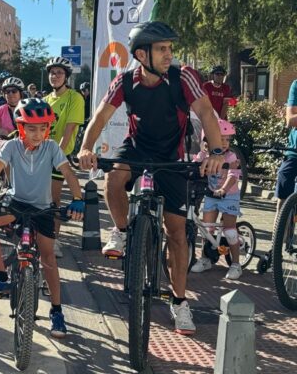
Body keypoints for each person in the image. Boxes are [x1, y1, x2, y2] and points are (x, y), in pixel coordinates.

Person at [76, 21, 226, 335]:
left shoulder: (183, 76)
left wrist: (216, 151)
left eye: (170, 48)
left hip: (171, 156)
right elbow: (100, 116)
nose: (169, 54)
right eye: (161, 49)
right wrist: (86, 147)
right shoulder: (125, 81)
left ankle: (179, 302)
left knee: (177, 234)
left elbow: (206, 112)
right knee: (114, 179)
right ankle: (121, 231)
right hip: (138, 147)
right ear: (142, 55)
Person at [0, 98, 85, 338]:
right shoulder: (12, 146)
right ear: (21, 127)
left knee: (48, 259)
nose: (38, 134)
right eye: (32, 128)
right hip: (16, 205)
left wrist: (77, 199)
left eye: (43, 128)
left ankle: (57, 311)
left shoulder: (51, 147)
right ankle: (0, 276)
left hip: (43, 209)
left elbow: (68, 173)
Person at [190, 119, 243, 279]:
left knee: (230, 231)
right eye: (221, 139)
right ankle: (205, 259)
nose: (225, 143)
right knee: (206, 229)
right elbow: (194, 169)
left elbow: (233, 175)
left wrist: (223, 189)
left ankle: (236, 264)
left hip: (229, 195)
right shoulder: (204, 155)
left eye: (227, 139)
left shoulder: (231, 157)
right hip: (211, 194)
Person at [43, 56, 85, 258]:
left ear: (66, 76)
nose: (55, 76)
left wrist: (56, 156)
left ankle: (54, 239)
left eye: (59, 73)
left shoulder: (74, 98)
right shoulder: (45, 100)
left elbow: (68, 130)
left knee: (53, 199)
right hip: (41, 153)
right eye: (52, 73)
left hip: (60, 154)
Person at [274, 79, 297, 223]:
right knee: (283, 179)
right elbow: (291, 120)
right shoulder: (296, 84)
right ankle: (278, 235)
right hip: (294, 151)